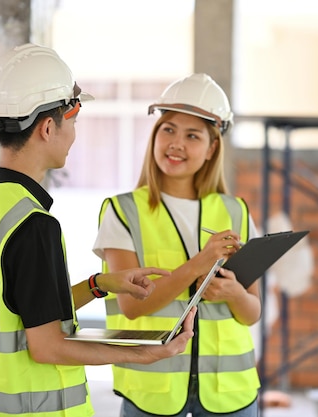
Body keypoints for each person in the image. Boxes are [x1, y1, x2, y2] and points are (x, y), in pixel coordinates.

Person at [0, 44, 195, 417]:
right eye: (74, 121)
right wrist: (145, 353)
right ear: (49, 128)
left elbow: (23, 312)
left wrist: (100, 285)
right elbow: (47, 347)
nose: (75, 135)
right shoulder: (34, 225)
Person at [93, 73, 261, 416]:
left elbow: (253, 312)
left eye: (192, 135)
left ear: (212, 147)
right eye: (168, 129)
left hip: (231, 396)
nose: (176, 143)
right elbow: (132, 306)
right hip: (152, 394)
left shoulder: (235, 212)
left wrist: (234, 295)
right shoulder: (123, 211)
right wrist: (202, 262)